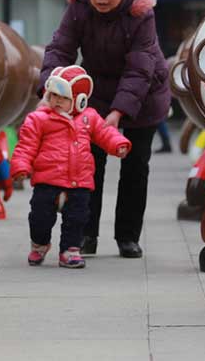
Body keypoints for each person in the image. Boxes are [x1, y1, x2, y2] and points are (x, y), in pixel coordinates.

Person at [39, 0, 171, 258]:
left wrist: (119, 112)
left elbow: (140, 68)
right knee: (87, 165)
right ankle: (86, 234)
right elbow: (60, 48)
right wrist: (50, 90)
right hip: (96, 93)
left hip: (144, 94)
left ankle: (127, 236)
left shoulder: (141, 14)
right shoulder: (79, 7)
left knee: (135, 166)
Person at [12, 66, 130, 268]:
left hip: (79, 182)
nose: (57, 101)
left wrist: (118, 144)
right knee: (39, 217)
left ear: (79, 100)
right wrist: (21, 166)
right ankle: (39, 244)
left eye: (63, 97)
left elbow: (105, 133)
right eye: (53, 95)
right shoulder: (38, 119)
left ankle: (69, 250)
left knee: (77, 219)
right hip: (47, 181)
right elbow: (26, 145)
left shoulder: (89, 117)